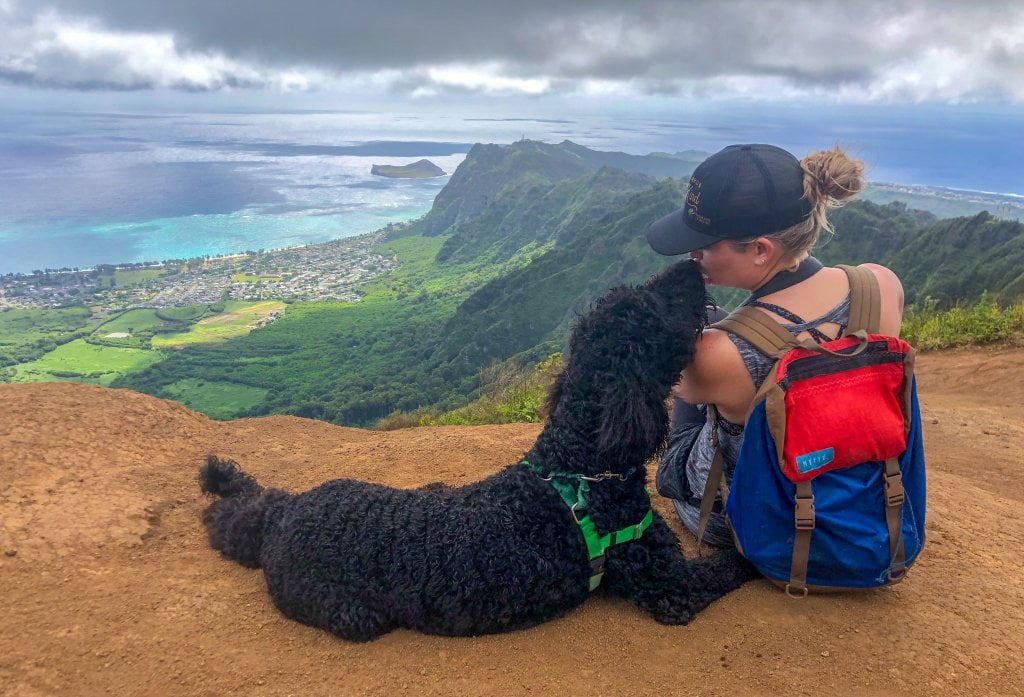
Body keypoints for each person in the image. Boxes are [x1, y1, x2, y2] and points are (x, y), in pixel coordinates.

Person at [646, 143, 905, 547]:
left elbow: (681, 387)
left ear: (761, 250)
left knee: (705, 331)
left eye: (705, 244)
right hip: (854, 504)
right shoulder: (880, 287)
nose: (692, 255)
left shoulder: (717, 352)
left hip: (750, 522)